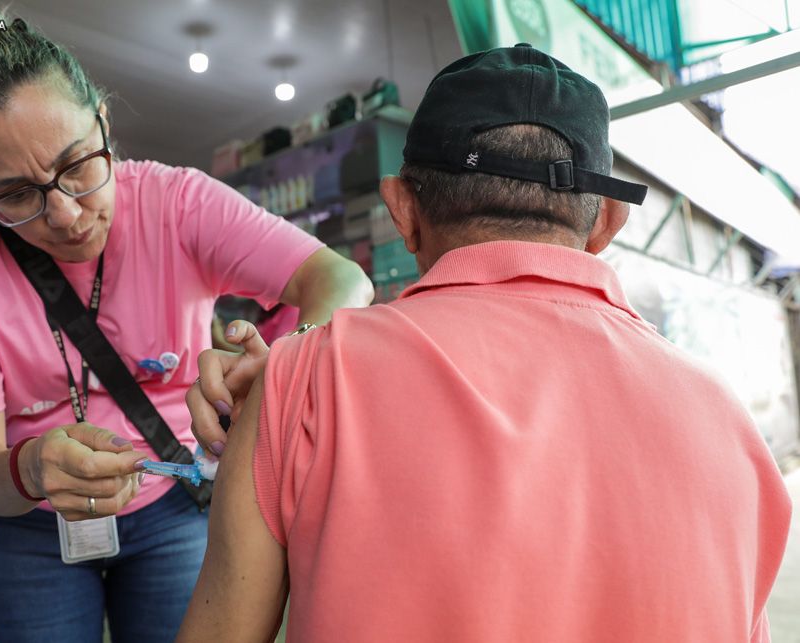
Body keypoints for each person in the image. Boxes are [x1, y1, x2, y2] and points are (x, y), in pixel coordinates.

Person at [181, 44, 792, 642]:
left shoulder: (301, 381)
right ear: (607, 219)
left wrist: (286, 383)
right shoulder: (729, 425)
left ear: (402, 209)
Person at [0, 3, 373, 642]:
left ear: (103, 121)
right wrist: (30, 468)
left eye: (78, 166)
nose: (67, 216)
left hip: (173, 504)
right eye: (15, 194)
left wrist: (279, 364)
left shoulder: (175, 203)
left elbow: (342, 281)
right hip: (29, 525)